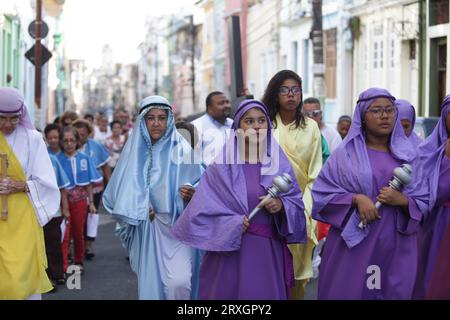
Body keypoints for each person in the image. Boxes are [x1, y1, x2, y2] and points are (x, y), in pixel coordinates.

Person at [172, 99, 306, 299]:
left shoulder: (280, 165)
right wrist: (231, 222)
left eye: (261, 121)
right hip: (228, 256)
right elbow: (201, 211)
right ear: (238, 128)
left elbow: (297, 206)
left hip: (266, 255)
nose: (256, 127)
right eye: (249, 121)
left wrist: (281, 206)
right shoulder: (221, 168)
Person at [311, 88, 429, 299]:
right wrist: (356, 199)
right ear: (362, 116)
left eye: (389, 110)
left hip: (396, 242)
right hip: (354, 243)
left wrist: (403, 201)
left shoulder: (411, 156)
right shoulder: (344, 155)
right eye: (376, 111)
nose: (384, 116)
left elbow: (425, 197)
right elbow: (322, 194)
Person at [103, 95, 204, 300]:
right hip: (149, 228)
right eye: (151, 118)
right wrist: (139, 205)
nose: (156, 123)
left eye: (161, 117)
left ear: (169, 120)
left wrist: (193, 192)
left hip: (179, 228)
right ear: (143, 121)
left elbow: (204, 183)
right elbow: (119, 192)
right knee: (153, 286)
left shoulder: (183, 150)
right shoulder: (133, 154)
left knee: (180, 283)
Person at [262, 70, 323, 299]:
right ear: (275, 93)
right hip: (268, 206)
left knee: (297, 275)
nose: (291, 95)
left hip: (301, 208)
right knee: (273, 272)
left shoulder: (311, 127)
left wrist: (304, 208)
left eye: (295, 90)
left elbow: (315, 173)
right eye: (285, 90)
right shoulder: (265, 124)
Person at [0, 87, 61, 300]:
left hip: (23, 216)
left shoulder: (33, 139)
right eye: (2, 118)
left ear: (21, 114)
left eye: (13, 118)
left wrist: (20, 185)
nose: (8, 124)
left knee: (20, 277)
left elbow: (47, 182)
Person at [413, 95, 450, 299]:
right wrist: (446, 161)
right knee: (433, 281)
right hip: (437, 225)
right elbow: (428, 193)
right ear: (444, 116)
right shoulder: (426, 151)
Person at [57, 126, 101, 274]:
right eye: (65, 141)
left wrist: (92, 203)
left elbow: (88, 182)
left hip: (80, 201)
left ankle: (78, 261)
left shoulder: (84, 158)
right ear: (61, 143)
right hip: (62, 201)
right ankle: (63, 264)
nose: (69, 144)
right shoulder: (58, 159)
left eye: (72, 140)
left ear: (77, 142)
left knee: (78, 233)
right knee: (63, 234)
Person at [73, 119, 111, 259]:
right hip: (76, 189)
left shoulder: (95, 146)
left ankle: (89, 244)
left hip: (95, 187)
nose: (80, 137)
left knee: (92, 216)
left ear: (89, 133)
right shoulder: (70, 146)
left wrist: (110, 186)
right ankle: (78, 244)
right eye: (78, 134)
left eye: (83, 134)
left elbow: (105, 167)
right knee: (77, 217)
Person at [44, 154, 70, 289]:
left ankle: (56, 275)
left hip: (53, 210)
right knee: (39, 246)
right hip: (33, 212)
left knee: (54, 242)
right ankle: (44, 278)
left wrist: (65, 208)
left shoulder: (52, 159)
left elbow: (62, 187)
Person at [191, 91, 233, 166]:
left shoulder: (233, 124)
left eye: (227, 102)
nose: (226, 105)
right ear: (210, 108)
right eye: (221, 103)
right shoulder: (196, 126)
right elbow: (193, 158)